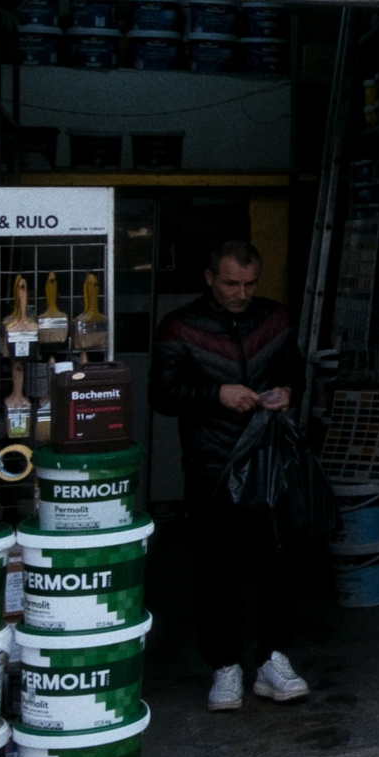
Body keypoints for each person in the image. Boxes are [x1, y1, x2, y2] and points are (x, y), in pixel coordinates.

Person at [151, 240, 312, 711]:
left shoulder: (274, 318)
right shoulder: (180, 326)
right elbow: (161, 394)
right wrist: (214, 393)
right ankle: (224, 666)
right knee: (214, 569)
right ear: (209, 278)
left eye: (249, 283)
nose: (241, 293)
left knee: (279, 563)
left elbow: (294, 370)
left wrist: (286, 389)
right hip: (211, 464)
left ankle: (273, 660)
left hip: (268, 461)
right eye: (230, 283)